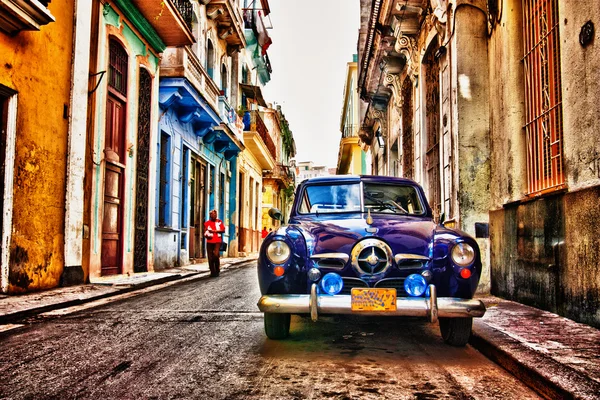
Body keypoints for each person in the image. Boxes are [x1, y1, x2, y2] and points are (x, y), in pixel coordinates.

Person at [204, 209, 225, 277]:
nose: (213, 216)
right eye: (211, 214)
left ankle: (217, 268)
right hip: (209, 241)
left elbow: (223, 230)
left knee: (216, 255)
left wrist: (214, 231)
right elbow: (204, 231)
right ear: (210, 215)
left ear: (216, 215)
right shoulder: (207, 223)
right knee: (210, 257)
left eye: (214, 214)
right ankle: (212, 271)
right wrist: (206, 234)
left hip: (217, 241)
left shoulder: (219, 222)